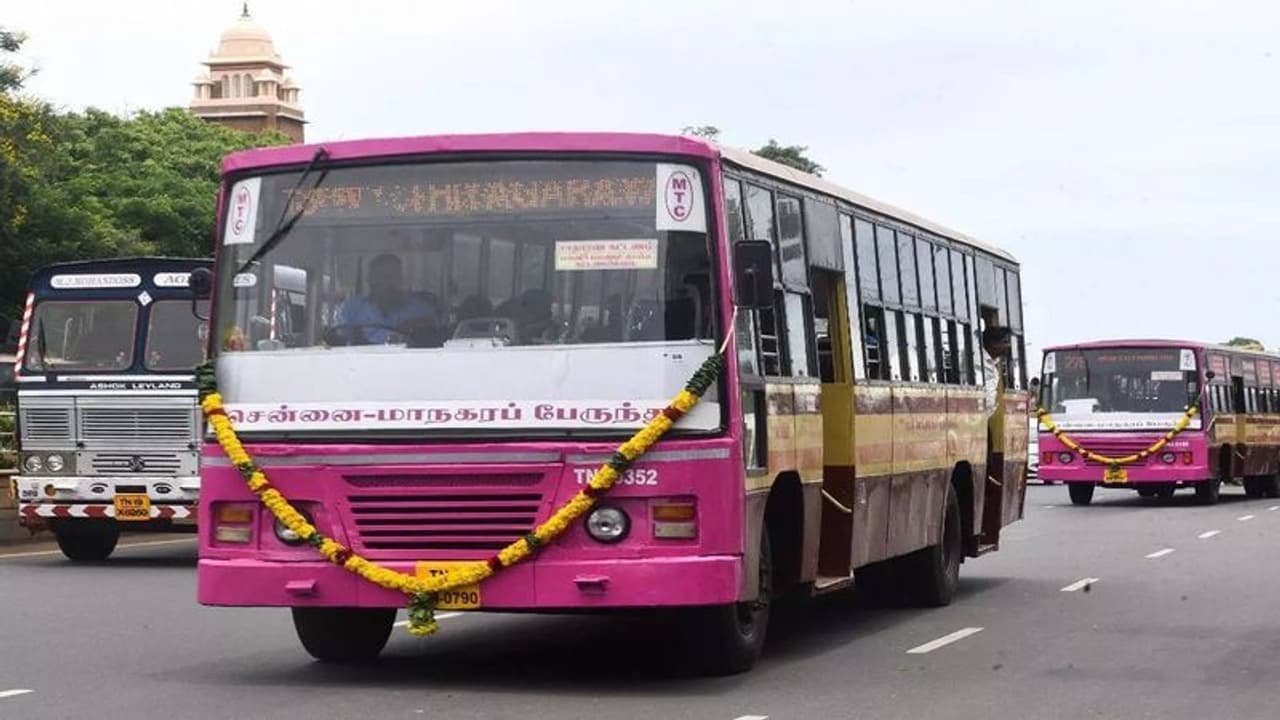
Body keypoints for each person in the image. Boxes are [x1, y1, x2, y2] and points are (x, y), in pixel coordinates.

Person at [335, 254, 438, 344]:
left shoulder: (421, 310)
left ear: (401, 279)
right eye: (382, 277)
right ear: (370, 280)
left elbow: (432, 342)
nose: (389, 283)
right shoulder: (351, 309)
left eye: (393, 276)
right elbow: (339, 342)